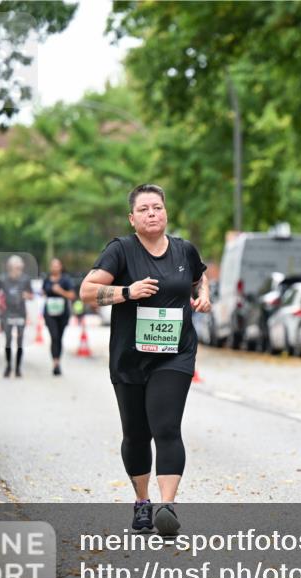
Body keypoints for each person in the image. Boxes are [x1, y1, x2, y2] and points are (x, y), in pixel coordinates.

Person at [80, 184, 209, 537]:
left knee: (166, 428)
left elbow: (199, 277)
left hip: (175, 355)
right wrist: (127, 292)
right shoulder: (120, 251)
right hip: (130, 358)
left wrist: (204, 296)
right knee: (136, 434)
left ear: (166, 212)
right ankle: (142, 501)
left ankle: (167, 506)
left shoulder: (184, 249)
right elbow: (87, 292)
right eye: (144, 209)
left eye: (157, 208)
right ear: (132, 218)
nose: (152, 214)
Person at [0, 255, 34, 378]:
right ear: (10, 267)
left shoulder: (25, 279)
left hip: (20, 313)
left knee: (20, 341)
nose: (19, 269)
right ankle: (8, 366)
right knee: (8, 341)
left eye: (20, 267)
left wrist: (26, 296)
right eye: (16, 267)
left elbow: (32, 295)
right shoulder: (2, 279)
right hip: (7, 313)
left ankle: (17, 368)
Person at [42, 258, 77, 376]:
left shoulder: (66, 280)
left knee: (59, 337)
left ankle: (58, 361)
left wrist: (60, 291)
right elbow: (43, 292)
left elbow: (72, 296)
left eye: (57, 265)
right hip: (49, 313)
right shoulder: (47, 279)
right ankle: (55, 363)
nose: (54, 268)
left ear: (61, 267)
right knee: (54, 336)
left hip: (63, 313)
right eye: (52, 265)